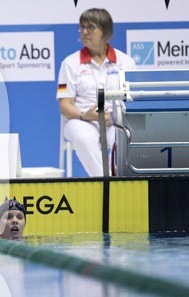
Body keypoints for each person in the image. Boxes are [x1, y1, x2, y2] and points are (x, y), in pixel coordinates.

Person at [56, 8, 136, 177]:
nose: (84, 32)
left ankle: (114, 181)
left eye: (90, 27)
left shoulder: (126, 62)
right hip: (82, 120)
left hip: (115, 120)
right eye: (82, 27)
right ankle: (107, 183)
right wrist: (84, 115)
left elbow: (132, 100)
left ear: (105, 32)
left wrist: (115, 117)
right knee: (84, 137)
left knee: (122, 136)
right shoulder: (70, 63)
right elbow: (65, 104)